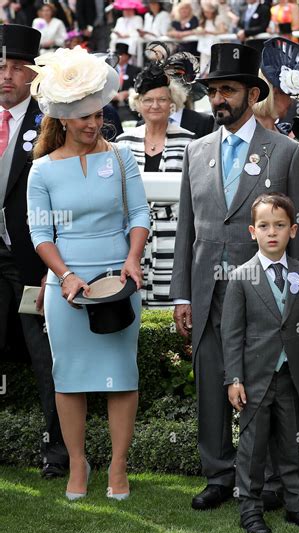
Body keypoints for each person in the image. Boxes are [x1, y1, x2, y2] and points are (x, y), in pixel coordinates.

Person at [169, 42, 299, 512]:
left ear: (253, 93)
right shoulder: (196, 151)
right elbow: (188, 228)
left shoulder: (288, 152)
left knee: (268, 386)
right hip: (209, 290)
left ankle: (271, 481)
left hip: (266, 296)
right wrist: (181, 296)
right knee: (212, 381)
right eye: (212, 90)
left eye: (228, 89)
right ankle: (218, 474)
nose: (218, 99)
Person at [26, 46, 150, 500]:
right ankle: (78, 464)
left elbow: (139, 215)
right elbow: (40, 234)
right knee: (70, 377)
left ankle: (119, 467)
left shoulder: (120, 159)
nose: (94, 123)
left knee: (122, 375)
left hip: (121, 283)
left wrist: (132, 260)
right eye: (84, 117)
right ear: (62, 119)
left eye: (98, 114)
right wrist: (65, 276)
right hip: (68, 288)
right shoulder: (41, 169)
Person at [221, 194, 299, 533]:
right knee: (252, 450)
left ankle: (297, 506)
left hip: (290, 378)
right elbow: (232, 335)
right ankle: (250, 511)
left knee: (291, 447)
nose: (272, 232)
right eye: (264, 226)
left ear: (293, 231)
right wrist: (234, 378)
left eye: (280, 226)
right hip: (254, 379)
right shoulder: (240, 277)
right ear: (253, 231)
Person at [0, 23, 68, 479]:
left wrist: (52, 269)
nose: (6, 75)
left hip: (31, 261)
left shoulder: (51, 122)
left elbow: (61, 197)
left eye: (17, 67)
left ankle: (57, 451)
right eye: (1, 66)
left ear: (33, 73)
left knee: (46, 358)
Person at [116, 61, 195, 308]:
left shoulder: (191, 142)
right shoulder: (123, 142)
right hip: (131, 237)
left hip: (174, 237)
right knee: (131, 305)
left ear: (173, 103)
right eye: (148, 100)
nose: (155, 105)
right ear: (137, 104)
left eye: (162, 99)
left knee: (171, 308)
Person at [111, 42, 141, 122]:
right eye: (118, 54)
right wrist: (112, 95)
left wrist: (128, 93)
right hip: (112, 106)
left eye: (122, 54)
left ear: (127, 56)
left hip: (130, 108)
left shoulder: (136, 70)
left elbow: (138, 87)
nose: (119, 56)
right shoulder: (109, 70)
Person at [196, 1, 227, 78]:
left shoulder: (218, 19)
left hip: (216, 49)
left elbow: (223, 31)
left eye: (208, 12)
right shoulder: (203, 21)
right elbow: (197, 30)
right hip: (205, 49)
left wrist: (209, 32)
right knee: (204, 69)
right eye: (205, 12)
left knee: (214, 69)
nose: (207, 14)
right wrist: (200, 31)